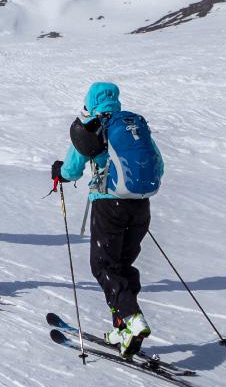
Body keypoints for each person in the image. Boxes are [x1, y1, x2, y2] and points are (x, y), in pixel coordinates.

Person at [52, 81, 163, 357]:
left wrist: (59, 172)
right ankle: (123, 328)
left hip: (109, 205)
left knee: (103, 266)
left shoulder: (93, 126)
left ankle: (132, 318)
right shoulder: (132, 126)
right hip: (140, 205)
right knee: (122, 266)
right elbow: (158, 164)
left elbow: (72, 169)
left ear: (91, 100)